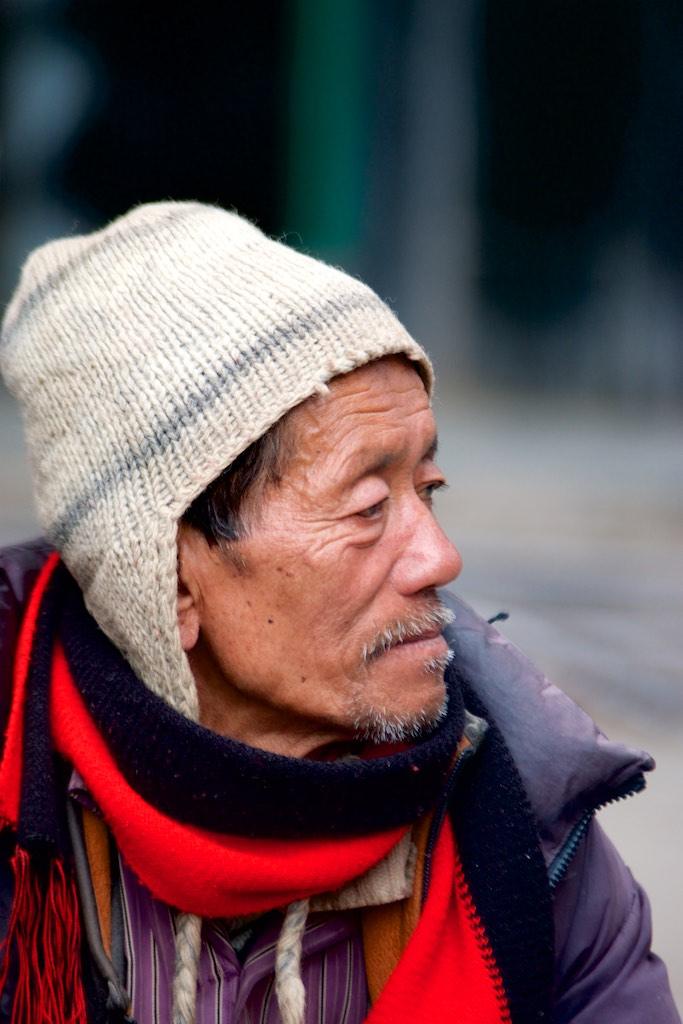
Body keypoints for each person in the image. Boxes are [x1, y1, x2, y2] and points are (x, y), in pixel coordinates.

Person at [0, 202, 678, 1024]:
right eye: (366, 509)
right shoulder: (25, 812)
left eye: (427, 489)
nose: (440, 559)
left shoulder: (526, 829)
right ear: (169, 581)